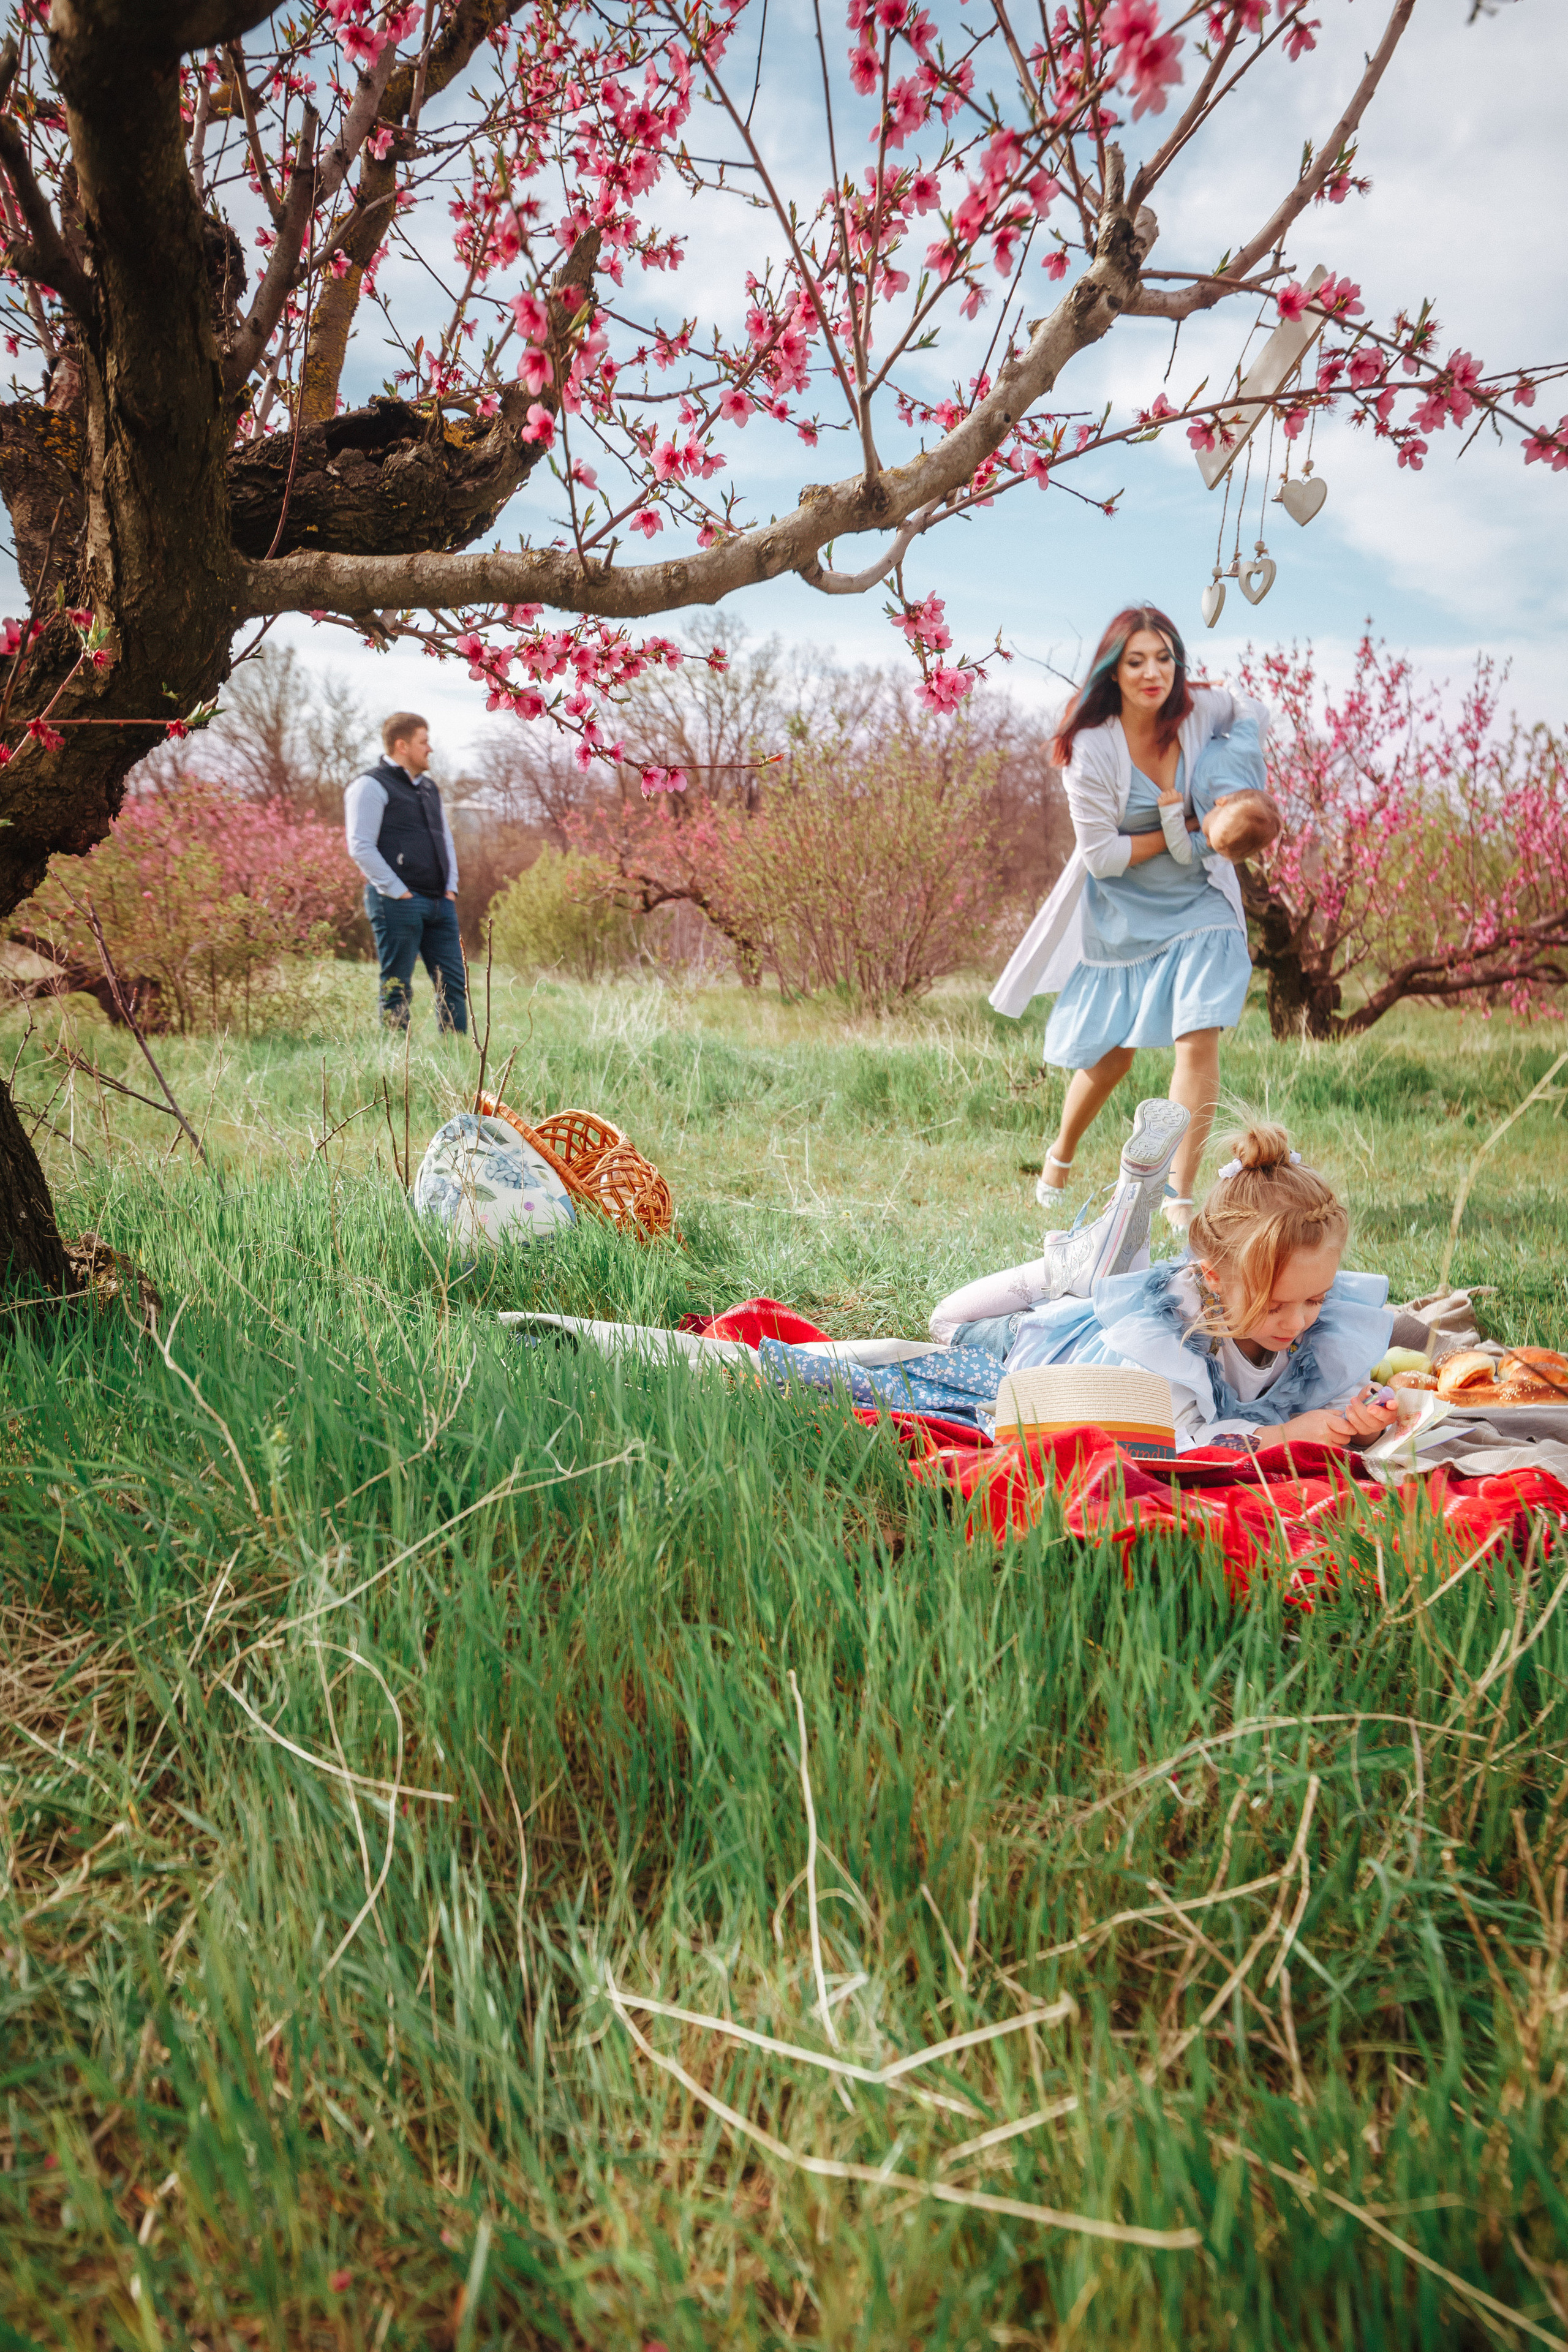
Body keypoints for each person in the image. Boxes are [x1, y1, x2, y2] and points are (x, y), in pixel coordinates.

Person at [990, 606, 1279, 1234]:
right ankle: (1059, 1158)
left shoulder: (1200, 713)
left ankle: (1176, 1194)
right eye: (1136, 660)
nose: (1153, 672)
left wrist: (1236, 794)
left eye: (1164, 658)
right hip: (1123, 909)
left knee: (1198, 1033)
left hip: (1200, 898)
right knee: (1112, 1056)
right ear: (1113, 672)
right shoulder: (1091, 749)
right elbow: (1101, 856)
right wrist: (1187, 830)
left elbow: (1249, 711)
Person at [932, 1119, 1398, 1454]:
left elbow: (1336, 1396)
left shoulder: (1316, 1320)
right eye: (1274, 1305)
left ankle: (1096, 1273)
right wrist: (1284, 1436)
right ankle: (1066, 1271)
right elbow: (1171, 1442)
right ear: (1212, 1278)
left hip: (1114, 1318)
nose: (1298, 1322)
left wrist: (1360, 1425)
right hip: (1049, 1348)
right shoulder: (1174, 1337)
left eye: (1315, 1298)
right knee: (945, 1322)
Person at [345, 712, 468, 1033]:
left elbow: (446, 840)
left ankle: (456, 1054)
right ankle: (397, 1058)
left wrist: (450, 888)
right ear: (402, 745)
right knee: (398, 985)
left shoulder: (430, 789)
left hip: (441, 903)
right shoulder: (370, 785)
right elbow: (360, 846)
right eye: (423, 742)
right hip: (396, 901)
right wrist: (398, 891)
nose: (430, 749)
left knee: (455, 984)